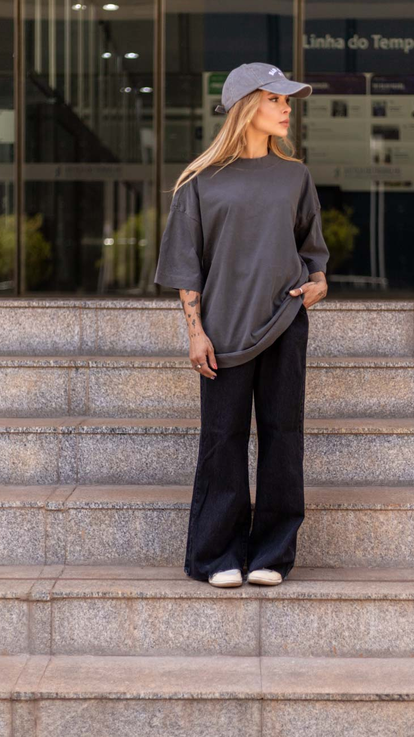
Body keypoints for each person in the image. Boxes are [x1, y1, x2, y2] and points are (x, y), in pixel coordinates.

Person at [154, 62, 330, 588]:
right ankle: (217, 556)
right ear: (247, 105)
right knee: (222, 440)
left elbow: (312, 250)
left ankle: (272, 555)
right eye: (276, 99)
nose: (286, 109)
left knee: (283, 438)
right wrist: (195, 331)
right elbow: (186, 263)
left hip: (284, 321)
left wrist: (318, 283)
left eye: (287, 101)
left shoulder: (295, 176)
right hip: (223, 331)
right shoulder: (200, 181)